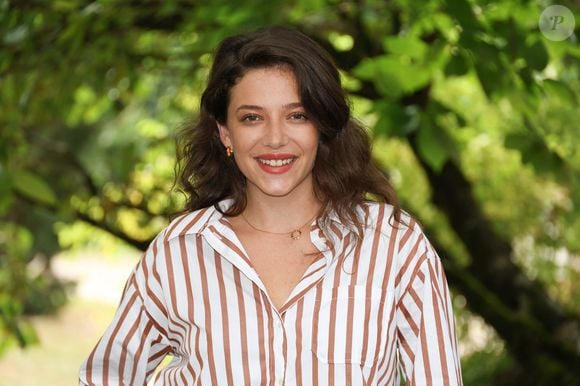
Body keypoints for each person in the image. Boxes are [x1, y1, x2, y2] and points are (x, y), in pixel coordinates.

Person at [79, 26, 463, 386]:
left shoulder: (393, 245)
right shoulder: (179, 252)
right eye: (252, 118)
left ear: (321, 127)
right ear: (225, 132)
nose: (275, 138)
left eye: (297, 115)